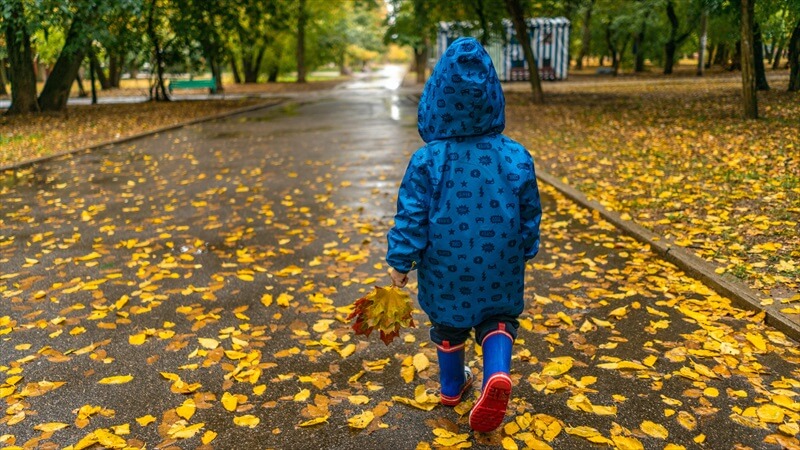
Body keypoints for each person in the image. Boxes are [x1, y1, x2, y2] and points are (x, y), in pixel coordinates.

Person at [386, 37, 542, 433]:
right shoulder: (515, 155)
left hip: (446, 267)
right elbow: (529, 210)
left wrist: (400, 261)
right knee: (499, 319)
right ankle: (495, 375)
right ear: (493, 96)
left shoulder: (427, 160)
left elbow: (412, 215)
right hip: (500, 261)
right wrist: (526, 247)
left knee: (449, 324)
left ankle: (453, 387)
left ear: (436, 98)